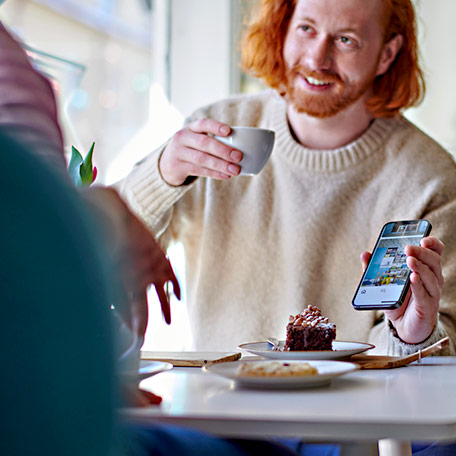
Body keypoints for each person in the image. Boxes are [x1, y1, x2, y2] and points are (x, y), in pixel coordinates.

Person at [120, 0, 456, 357]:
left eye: (346, 40)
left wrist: (413, 339)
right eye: (306, 29)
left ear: (387, 54)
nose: (316, 59)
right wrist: (163, 175)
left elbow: (445, 343)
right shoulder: (215, 130)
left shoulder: (430, 178)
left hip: (354, 409)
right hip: (218, 402)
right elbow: (102, 249)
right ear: (283, 28)